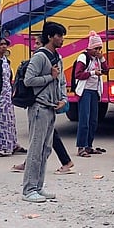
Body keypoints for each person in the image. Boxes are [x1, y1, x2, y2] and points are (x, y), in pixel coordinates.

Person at [21, 22, 68, 203]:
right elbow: (29, 80)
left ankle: (38, 186)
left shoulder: (58, 57)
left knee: (45, 149)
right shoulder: (40, 57)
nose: (62, 40)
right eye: (59, 36)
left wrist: (63, 98)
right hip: (39, 107)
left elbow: (62, 81)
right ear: (50, 37)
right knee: (36, 148)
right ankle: (29, 189)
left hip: (51, 107)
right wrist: (50, 77)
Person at [73, 31, 108, 157]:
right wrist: (93, 73)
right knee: (84, 120)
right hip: (85, 91)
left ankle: (89, 145)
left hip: (95, 91)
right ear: (90, 48)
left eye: (100, 48)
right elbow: (78, 74)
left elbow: (106, 70)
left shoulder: (97, 59)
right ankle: (81, 147)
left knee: (93, 120)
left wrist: (102, 58)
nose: (98, 51)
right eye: (96, 48)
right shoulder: (83, 57)